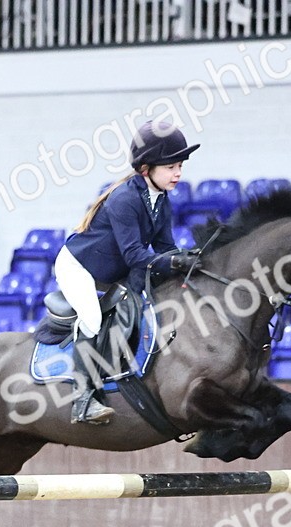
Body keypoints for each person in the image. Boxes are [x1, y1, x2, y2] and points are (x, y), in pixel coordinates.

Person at [56, 120, 201, 424]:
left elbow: (164, 246)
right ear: (147, 168)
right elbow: (135, 254)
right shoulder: (125, 199)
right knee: (93, 319)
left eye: (180, 166)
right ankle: (81, 400)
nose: (178, 173)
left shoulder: (161, 199)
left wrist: (190, 259)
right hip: (79, 266)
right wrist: (174, 263)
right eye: (172, 166)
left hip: (115, 268)